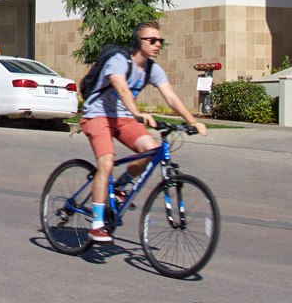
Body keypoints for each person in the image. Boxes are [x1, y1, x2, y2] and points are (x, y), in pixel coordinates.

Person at [78, 21, 206, 245]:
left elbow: (171, 97)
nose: (157, 45)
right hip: (97, 114)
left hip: (123, 118)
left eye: (160, 41)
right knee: (107, 162)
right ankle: (97, 225)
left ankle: (119, 187)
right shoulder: (118, 62)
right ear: (139, 42)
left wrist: (193, 121)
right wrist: (137, 112)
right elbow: (121, 88)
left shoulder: (152, 69)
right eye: (152, 40)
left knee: (152, 151)